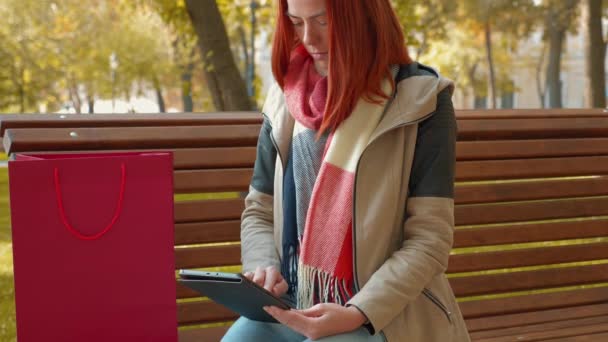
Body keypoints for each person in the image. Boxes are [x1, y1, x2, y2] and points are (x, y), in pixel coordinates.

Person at [223, 0, 471, 341]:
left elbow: (429, 240)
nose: (309, 38)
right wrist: (263, 266)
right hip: (292, 303)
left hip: (382, 313)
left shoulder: (422, 100)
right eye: (296, 23)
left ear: (363, 17)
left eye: (323, 21)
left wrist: (358, 312)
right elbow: (259, 211)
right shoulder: (284, 100)